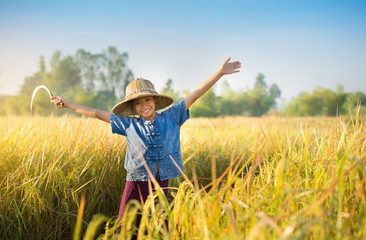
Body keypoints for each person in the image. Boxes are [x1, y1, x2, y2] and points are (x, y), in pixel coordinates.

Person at [50, 57, 241, 235]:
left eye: (147, 100)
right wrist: (67, 104)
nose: (143, 106)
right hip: (135, 181)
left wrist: (220, 72)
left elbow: (195, 94)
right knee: (126, 226)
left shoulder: (172, 117)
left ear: (155, 101)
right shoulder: (129, 124)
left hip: (161, 181)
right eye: (138, 103)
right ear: (133, 108)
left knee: (159, 225)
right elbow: (96, 113)